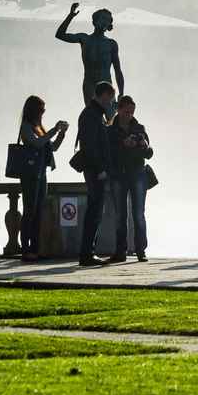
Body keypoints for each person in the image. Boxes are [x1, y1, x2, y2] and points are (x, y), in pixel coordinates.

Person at [17, 95, 69, 261]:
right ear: (34, 111)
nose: (43, 113)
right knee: (29, 211)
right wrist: (54, 130)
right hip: (30, 174)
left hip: (41, 173)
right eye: (41, 110)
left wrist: (61, 134)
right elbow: (37, 143)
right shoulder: (26, 127)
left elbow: (51, 147)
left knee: (39, 212)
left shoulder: (39, 127)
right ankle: (26, 249)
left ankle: (36, 247)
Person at [74, 82, 116, 267]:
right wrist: (100, 170)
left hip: (94, 169)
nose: (111, 101)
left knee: (96, 211)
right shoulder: (91, 115)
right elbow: (90, 147)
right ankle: (87, 254)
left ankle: (88, 252)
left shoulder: (94, 113)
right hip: (94, 170)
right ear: (103, 95)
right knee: (94, 211)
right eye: (109, 97)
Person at [107, 94, 152, 263]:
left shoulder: (139, 128)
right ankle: (120, 251)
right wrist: (123, 144)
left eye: (132, 112)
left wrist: (143, 146)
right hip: (119, 174)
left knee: (139, 214)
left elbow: (149, 154)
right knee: (120, 215)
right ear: (118, 110)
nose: (130, 115)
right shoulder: (110, 130)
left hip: (137, 173)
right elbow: (108, 154)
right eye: (126, 112)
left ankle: (141, 250)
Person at [56, 3, 125, 107]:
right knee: (92, 117)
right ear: (94, 21)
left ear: (109, 25)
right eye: (102, 18)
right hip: (90, 85)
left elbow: (118, 70)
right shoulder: (84, 39)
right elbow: (60, 35)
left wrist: (121, 93)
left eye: (107, 19)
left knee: (110, 119)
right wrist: (70, 16)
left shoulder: (111, 44)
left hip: (107, 87)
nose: (103, 21)